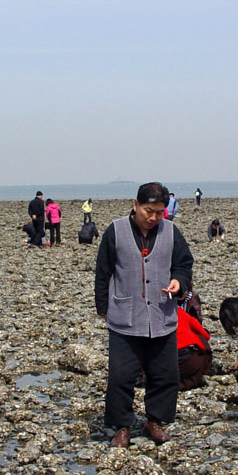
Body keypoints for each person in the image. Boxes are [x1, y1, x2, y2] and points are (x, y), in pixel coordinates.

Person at [94, 182, 193, 447]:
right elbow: (103, 272)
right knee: (121, 376)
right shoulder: (115, 230)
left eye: (159, 212)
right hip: (124, 317)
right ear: (136, 205)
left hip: (162, 315)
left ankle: (155, 421)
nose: (153, 218)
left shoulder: (171, 232)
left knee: (165, 374)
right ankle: (122, 426)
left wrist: (179, 282)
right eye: (149, 211)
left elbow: (184, 265)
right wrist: (103, 308)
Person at [176, 302, 212, 391]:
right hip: (190, 363)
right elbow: (205, 335)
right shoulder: (179, 311)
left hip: (161, 368)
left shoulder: (147, 320)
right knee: (200, 337)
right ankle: (191, 381)